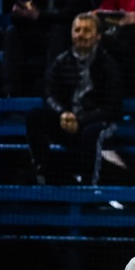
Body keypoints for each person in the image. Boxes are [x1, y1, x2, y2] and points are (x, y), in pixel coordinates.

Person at [25, 12, 122, 185]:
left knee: (92, 132)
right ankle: (44, 175)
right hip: (68, 121)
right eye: (77, 30)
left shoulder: (108, 64)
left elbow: (111, 107)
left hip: (97, 122)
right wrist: (63, 113)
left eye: (86, 30)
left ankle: (88, 187)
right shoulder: (61, 61)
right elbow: (49, 94)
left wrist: (81, 120)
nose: (81, 34)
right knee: (34, 116)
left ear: (98, 36)